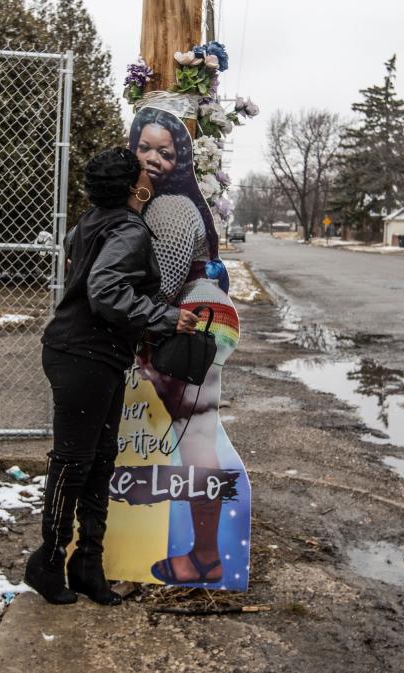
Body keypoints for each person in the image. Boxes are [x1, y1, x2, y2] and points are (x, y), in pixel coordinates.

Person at [26, 147, 199, 605]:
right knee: (73, 461)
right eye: (142, 172)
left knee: (101, 459)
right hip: (83, 356)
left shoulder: (91, 222)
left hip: (88, 354)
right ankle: (47, 562)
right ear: (132, 187)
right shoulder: (126, 228)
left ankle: (88, 564)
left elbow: (85, 269)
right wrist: (163, 317)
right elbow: (104, 291)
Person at [128, 106, 241, 585]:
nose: (153, 158)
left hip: (191, 325)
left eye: (166, 152)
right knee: (197, 432)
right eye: (144, 147)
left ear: (182, 160)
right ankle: (205, 555)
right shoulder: (157, 200)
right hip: (193, 322)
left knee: (196, 433)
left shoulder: (171, 208)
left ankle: (206, 557)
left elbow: (165, 286)